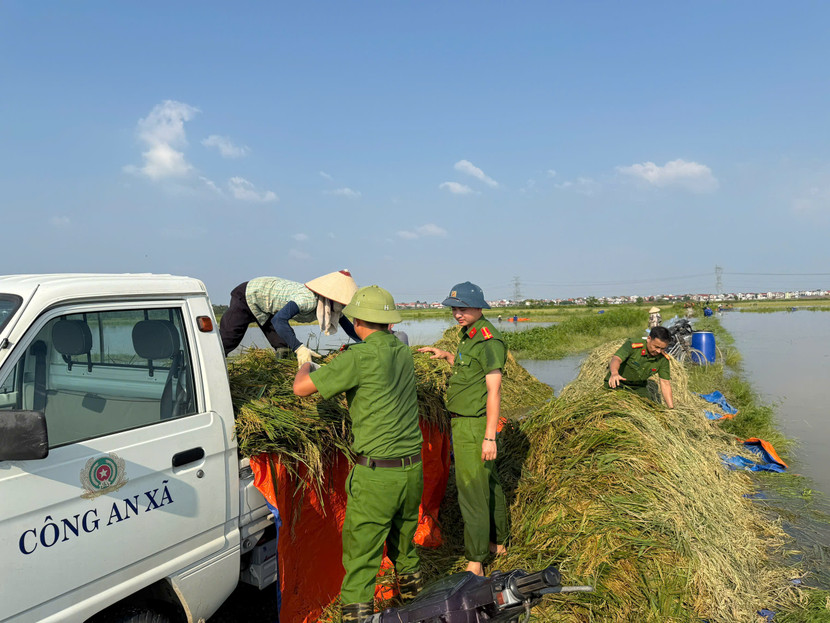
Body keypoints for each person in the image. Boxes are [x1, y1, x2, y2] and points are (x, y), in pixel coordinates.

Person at [293, 286, 423, 622]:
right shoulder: (402, 350)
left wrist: (305, 364)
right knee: (405, 547)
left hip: (378, 476)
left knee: (361, 558)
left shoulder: (358, 356)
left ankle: (358, 618)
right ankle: (418, 609)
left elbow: (301, 390)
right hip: (412, 469)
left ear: (360, 319)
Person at [417, 282, 508, 577]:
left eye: (463, 308)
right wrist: (446, 356)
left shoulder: (488, 340)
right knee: (488, 484)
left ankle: (476, 560)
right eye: (454, 308)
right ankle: (498, 543)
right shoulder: (468, 338)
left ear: (479, 308)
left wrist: (489, 437)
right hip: (464, 422)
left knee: (471, 491)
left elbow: (493, 392)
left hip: (474, 425)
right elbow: (471, 371)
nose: (457, 313)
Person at [219, 270, 360, 365]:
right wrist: (299, 348)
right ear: (331, 296)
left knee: (284, 347)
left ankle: (279, 373)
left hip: (268, 307)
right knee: (227, 341)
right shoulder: (308, 300)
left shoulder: (332, 308)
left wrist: (368, 342)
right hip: (248, 295)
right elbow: (279, 320)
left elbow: (350, 328)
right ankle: (214, 370)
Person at [605, 325, 674, 408]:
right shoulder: (633, 345)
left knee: (649, 410)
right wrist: (614, 373)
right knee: (611, 407)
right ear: (649, 339)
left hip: (638, 387)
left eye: (663, 349)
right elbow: (616, 359)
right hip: (617, 383)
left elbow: (665, 383)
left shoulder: (663, 359)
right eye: (656, 347)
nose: (659, 351)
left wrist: (671, 408)